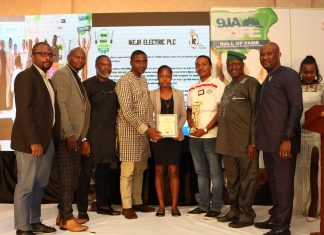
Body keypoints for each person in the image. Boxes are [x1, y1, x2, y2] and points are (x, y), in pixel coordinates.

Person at [11, 42, 60, 235]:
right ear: (33, 56)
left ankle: (34, 221)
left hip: (46, 142)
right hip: (29, 143)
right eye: (43, 54)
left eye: (50, 55)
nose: (47, 58)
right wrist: (33, 141)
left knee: (39, 184)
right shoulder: (25, 77)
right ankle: (23, 227)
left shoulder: (47, 79)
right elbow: (24, 111)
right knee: (26, 185)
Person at [255, 42, 303, 235]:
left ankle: (282, 228)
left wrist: (287, 138)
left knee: (283, 185)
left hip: (283, 143)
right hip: (268, 143)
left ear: (279, 54)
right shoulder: (268, 78)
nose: (265, 57)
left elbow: (296, 107)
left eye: (269, 54)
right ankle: (276, 218)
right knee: (274, 183)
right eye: (262, 54)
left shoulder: (289, 75)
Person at [215, 51, 260, 228]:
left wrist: (253, 143)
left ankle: (247, 214)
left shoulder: (252, 83)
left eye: (236, 64)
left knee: (247, 179)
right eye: (230, 65)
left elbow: (257, 115)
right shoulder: (228, 87)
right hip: (227, 144)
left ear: (242, 65)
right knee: (232, 180)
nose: (233, 67)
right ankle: (234, 210)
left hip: (245, 144)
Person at [115, 50, 160, 219]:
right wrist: (146, 129)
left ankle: (137, 202)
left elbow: (146, 107)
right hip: (128, 133)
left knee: (140, 169)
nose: (142, 64)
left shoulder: (143, 79)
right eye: (138, 61)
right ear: (131, 62)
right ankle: (127, 206)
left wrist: (150, 127)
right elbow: (126, 111)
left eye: (144, 61)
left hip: (142, 133)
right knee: (127, 172)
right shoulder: (124, 81)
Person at [76, 55, 120, 221]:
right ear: (96, 66)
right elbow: (81, 114)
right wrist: (84, 139)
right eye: (103, 64)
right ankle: (82, 210)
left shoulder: (114, 86)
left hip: (108, 138)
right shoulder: (87, 85)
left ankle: (103, 205)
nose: (106, 67)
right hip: (91, 138)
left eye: (109, 64)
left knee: (104, 174)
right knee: (85, 175)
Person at [51, 47, 91, 232]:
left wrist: (82, 136)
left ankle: (63, 214)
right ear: (68, 57)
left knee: (73, 177)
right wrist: (69, 133)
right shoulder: (62, 75)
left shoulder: (75, 76)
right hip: (67, 137)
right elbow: (61, 106)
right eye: (77, 56)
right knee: (67, 179)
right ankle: (67, 219)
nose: (80, 59)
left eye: (83, 57)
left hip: (75, 137)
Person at [187, 55, 225, 219]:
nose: (200, 67)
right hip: (195, 138)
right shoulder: (192, 88)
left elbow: (220, 111)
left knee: (215, 173)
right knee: (201, 172)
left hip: (212, 136)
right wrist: (191, 122)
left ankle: (216, 206)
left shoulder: (218, 84)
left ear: (210, 66)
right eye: (198, 65)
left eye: (204, 64)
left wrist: (205, 129)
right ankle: (203, 205)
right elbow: (189, 110)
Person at [149, 65, 186, 217]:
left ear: (171, 77)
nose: (165, 78)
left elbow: (183, 115)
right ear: (158, 77)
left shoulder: (179, 94)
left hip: (174, 138)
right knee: (159, 171)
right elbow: (147, 116)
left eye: (168, 76)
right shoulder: (151, 94)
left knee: (174, 171)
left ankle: (175, 206)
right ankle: (162, 206)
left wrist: (178, 128)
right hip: (159, 138)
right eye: (162, 76)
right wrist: (153, 130)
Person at [294, 55, 323, 220]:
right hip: (298, 132)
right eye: (305, 72)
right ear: (301, 72)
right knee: (300, 169)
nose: (309, 75)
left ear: (316, 72)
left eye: (312, 72)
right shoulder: (294, 87)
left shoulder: (322, 88)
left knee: (314, 167)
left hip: (316, 133)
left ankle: (314, 205)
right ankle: (301, 204)